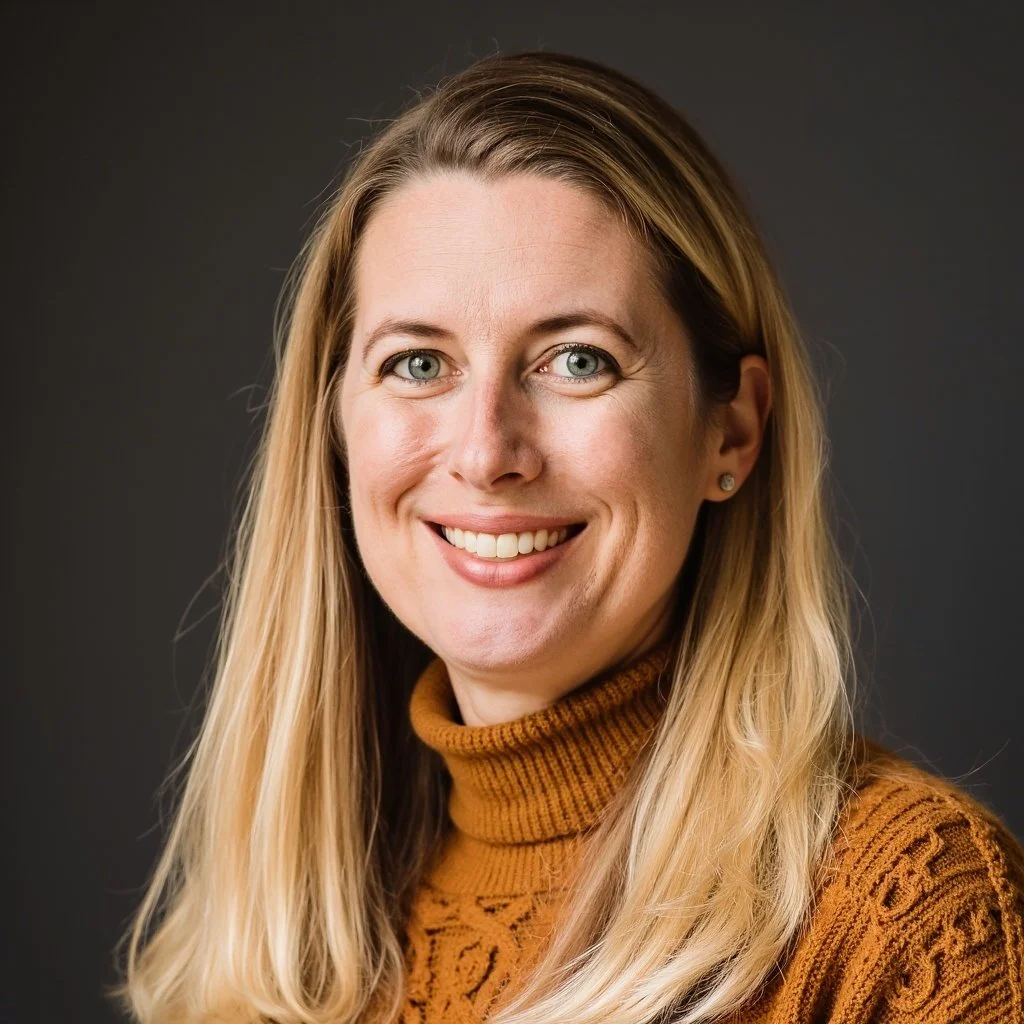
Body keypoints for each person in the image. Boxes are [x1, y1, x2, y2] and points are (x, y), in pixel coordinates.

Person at [112, 50, 1024, 1024]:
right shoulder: (271, 955)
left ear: (732, 428)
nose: (485, 450)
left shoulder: (908, 919)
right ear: (332, 423)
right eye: (418, 361)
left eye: (576, 359)